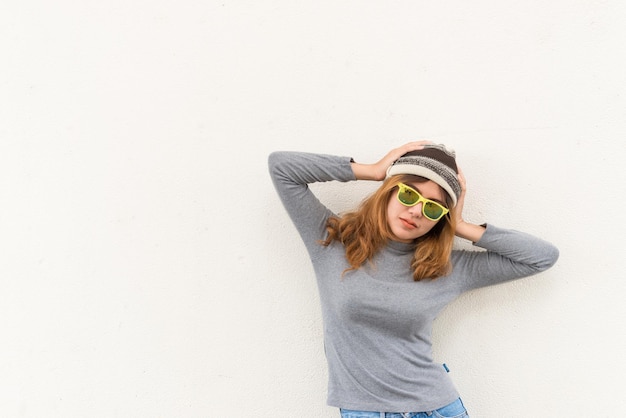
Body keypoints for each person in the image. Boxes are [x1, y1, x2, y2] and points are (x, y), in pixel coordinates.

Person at [267, 141, 559, 418]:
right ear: (390, 190)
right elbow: (282, 167)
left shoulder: (445, 267)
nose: (416, 211)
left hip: (435, 408)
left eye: (433, 207)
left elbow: (541, 256)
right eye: (409, 194)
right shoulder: (333, 242)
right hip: (362, 409)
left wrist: (459, 225)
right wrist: (373, 169)